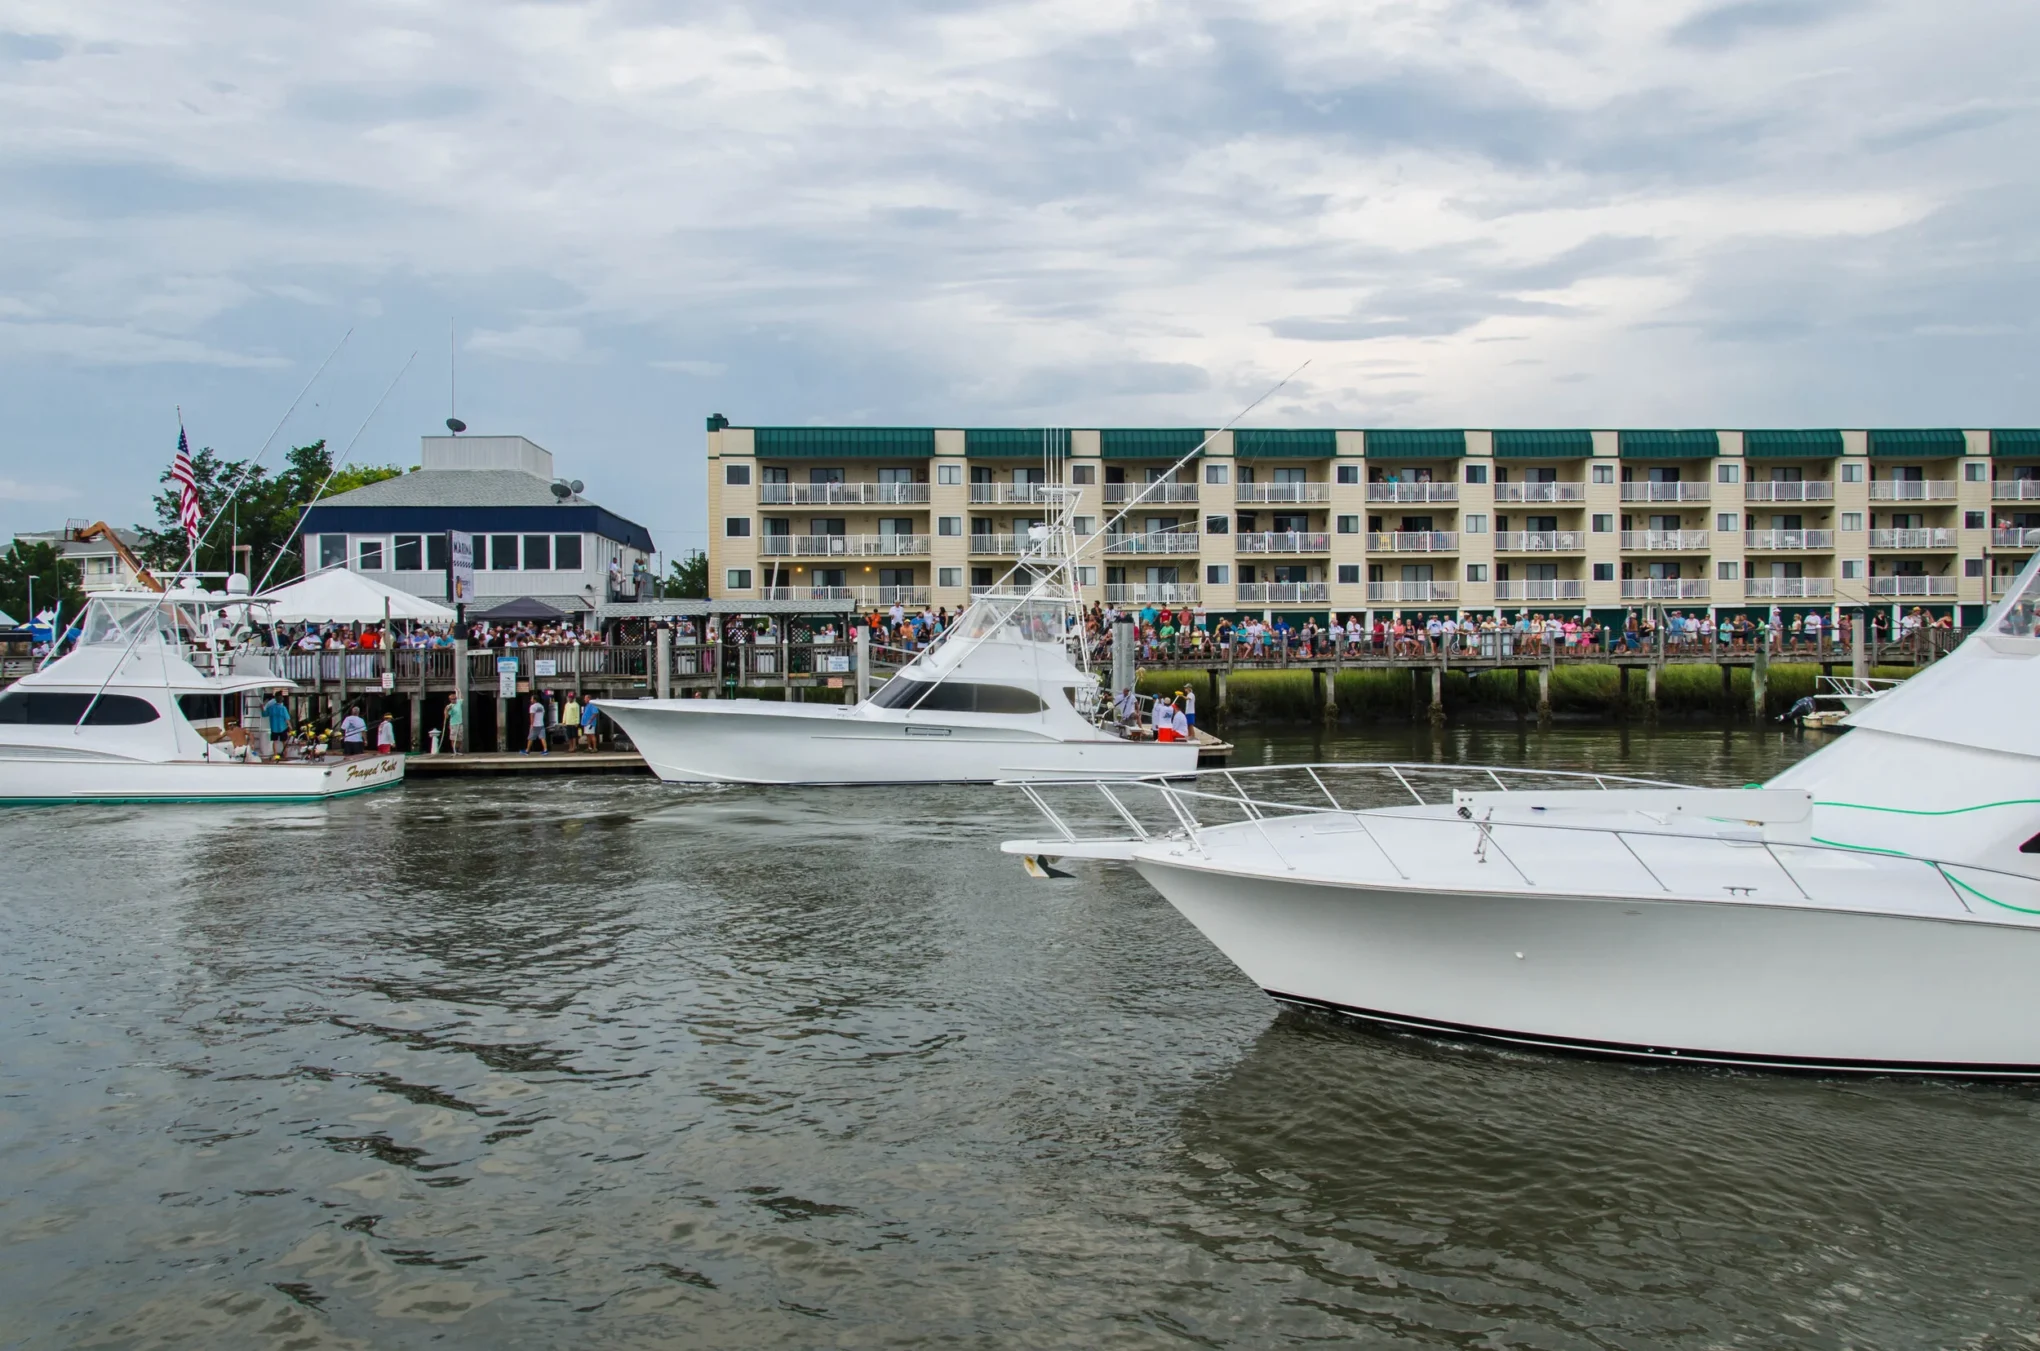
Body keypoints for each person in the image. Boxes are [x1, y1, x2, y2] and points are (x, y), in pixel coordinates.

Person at [262, 693, 291, 761]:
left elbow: (264, 714)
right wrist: (290, 726)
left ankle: (275, 755)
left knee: (274, 741)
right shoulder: (283, 708)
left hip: (274, 727)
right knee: (284, 741)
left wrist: (262, 708)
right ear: (282, 700)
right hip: (282, 727)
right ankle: (285, 755)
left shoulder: (271, 708)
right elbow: (287, 719)